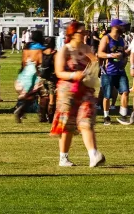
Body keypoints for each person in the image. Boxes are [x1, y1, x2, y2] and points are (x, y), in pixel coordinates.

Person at [50, 20, 105, 168]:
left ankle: (93, 154)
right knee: (68, 125)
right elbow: (59, 72)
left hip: (85, 89)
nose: (84, 34)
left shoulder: (87, 48)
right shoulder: (65, 50)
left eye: (85, 32)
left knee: (86, 120)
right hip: (67, 91)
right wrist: (74, 75)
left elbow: (94, 67)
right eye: (81, 32)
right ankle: (63, 157)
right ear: (72, 34)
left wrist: (95, 64)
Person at [97, 19, 131, 125]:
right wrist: (111, 55)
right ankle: (106, 116)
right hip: (108, 71)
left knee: (125, 92)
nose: (123, 28)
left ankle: (123, 115)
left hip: (120, 71)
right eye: (122, 26)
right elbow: (100, 53)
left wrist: (126, 53)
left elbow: (122, 53)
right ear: (115, 26)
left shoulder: (121, 39)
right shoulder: (106, 38)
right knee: (107, 95)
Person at [13, 30, 45, 122]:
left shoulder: (27, 48)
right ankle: (42, 115)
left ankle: (21, 111)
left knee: (30, 95)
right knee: (43, 95)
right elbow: (41, 63)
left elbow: (23, 63)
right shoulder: (41, 49)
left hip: (25, 73)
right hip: (36, 74)